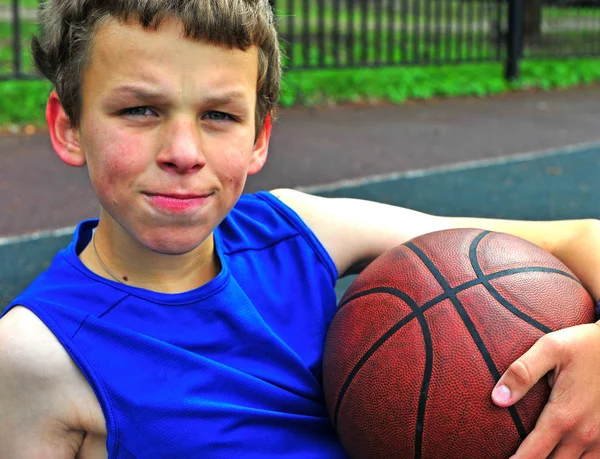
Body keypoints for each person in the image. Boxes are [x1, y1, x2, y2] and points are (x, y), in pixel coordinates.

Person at [1, 1, 600, 458]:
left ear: (259, 136)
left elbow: (579, 238)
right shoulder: (35, 357)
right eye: (139, 110)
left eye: (218, 115)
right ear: (69, 125)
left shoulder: (298, 231)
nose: (183, 152)